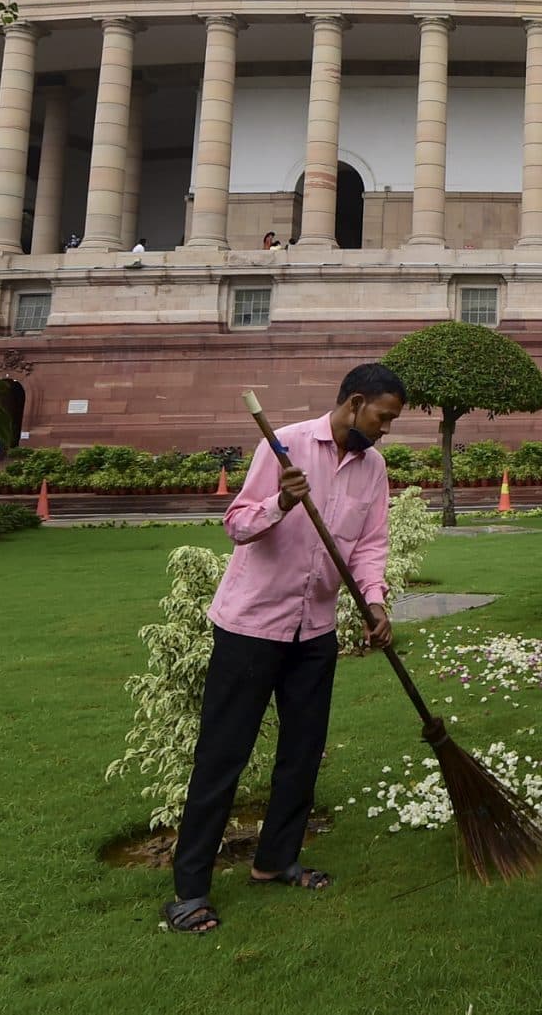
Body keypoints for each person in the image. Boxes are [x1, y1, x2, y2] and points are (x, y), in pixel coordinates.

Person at [162, 363, 408, 934]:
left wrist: (374, 602)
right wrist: (280, 502)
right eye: (384, 417)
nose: (388, 429)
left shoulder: (373, 468)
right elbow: (237, 524)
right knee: (223, 755)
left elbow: (370, 545)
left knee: (303, 752)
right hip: (250, 626)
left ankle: (276, 860)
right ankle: (189, 890)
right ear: (354, 403)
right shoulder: (286, 444)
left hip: (314, 629)